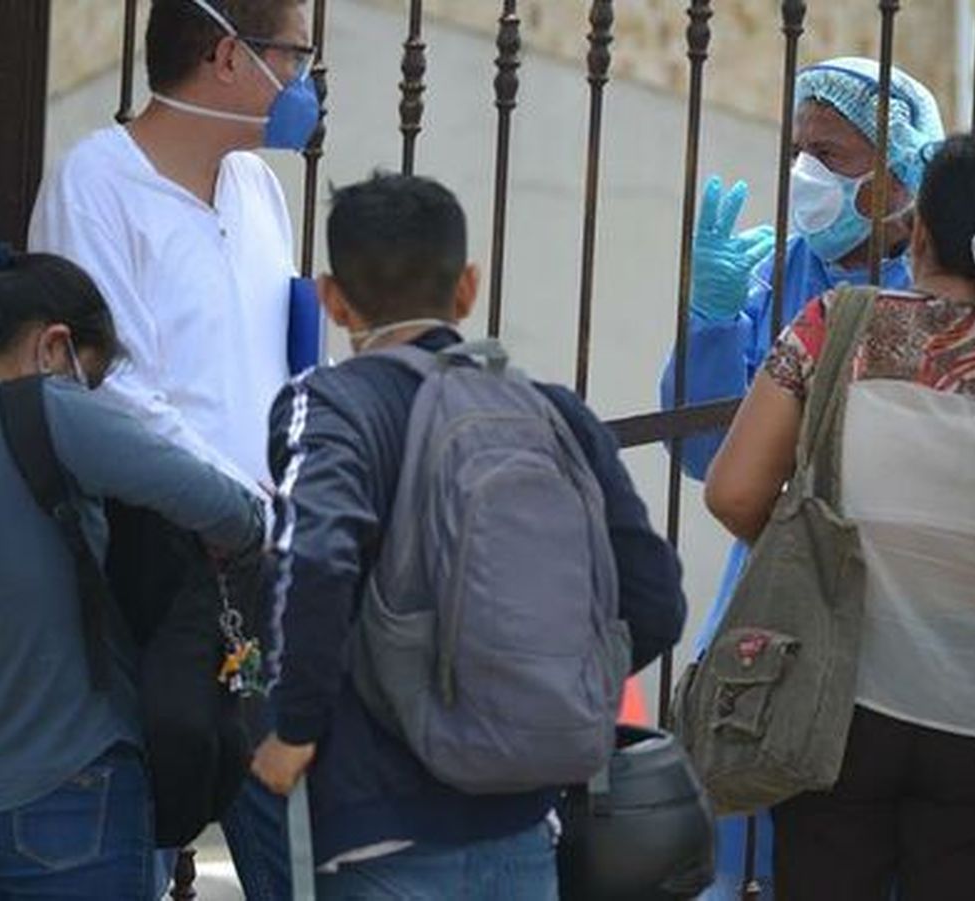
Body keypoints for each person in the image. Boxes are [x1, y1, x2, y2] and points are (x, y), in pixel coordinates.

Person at [661, 57, 975, 895]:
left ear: (906, 175)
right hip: (818, 630)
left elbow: (735, 488)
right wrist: (709, 323)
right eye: (798, 149)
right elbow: (710, 450)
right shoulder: (780, 276)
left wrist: (839, 551)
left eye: (832, 154)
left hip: (903, 639)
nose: (804, 173)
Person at [248, 172, 688, 898]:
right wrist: (551, 687)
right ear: (467, 288)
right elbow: (656, 598)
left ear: (331, 297)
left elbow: (313, 556)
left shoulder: (328, 406)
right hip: (522, 828)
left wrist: (295, 728)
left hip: (375, 831)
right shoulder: (551, 412)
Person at [0, 240, 264, 900]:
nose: (83, 392)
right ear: (53, 346)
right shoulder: (51, 407)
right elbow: (229, 510)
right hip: (73, 799)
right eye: (86, 376)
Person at [28, 1, 317, 894]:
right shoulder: (95, 185)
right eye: (296, 57)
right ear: (230, 54)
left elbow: (283, 373)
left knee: (292, 856)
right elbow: (107, 387)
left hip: (263, 575)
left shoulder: (258, 190)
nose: (306, 83)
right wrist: (233, 503)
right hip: (152, 572)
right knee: (141, 833)